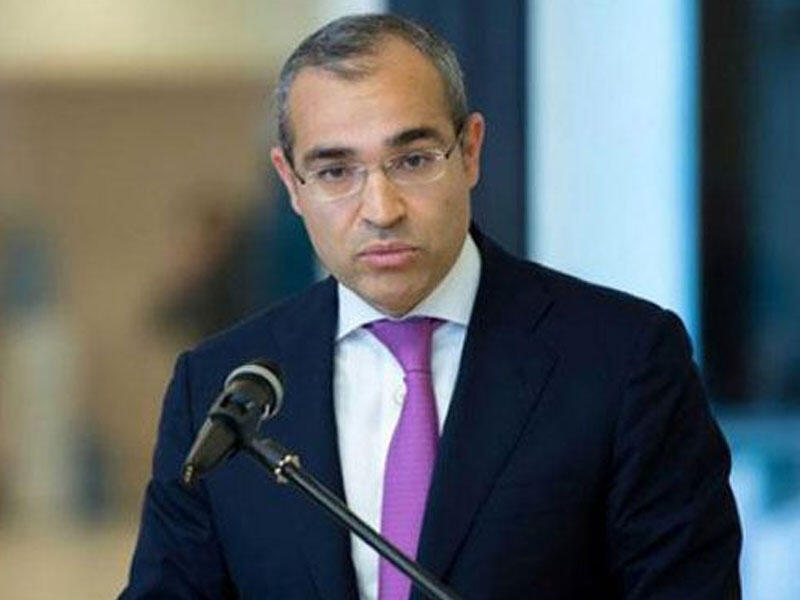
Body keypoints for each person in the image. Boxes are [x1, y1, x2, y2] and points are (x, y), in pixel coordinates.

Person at [121, 13, 741, 599]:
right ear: (291, 183)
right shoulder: (218, 387)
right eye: (335, 172)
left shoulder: (625, 360)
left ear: (470, 151)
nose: (381, 209)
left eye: (413, 161)